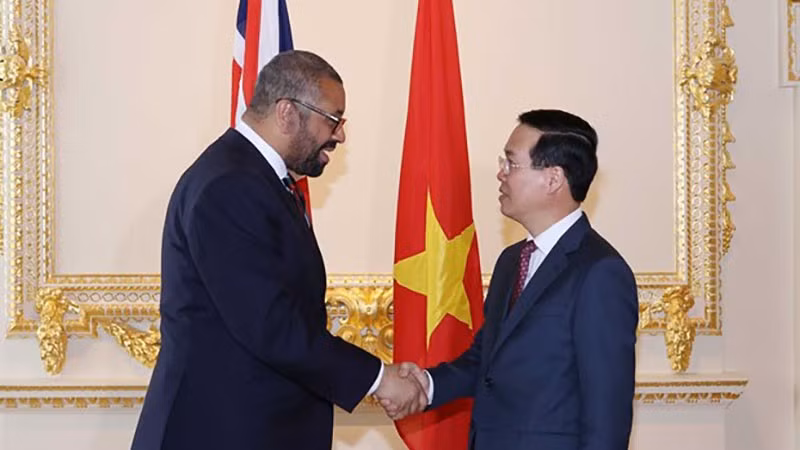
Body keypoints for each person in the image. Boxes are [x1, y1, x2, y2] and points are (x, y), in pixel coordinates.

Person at [131, 50, 426, 450]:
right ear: (287, 112)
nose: (340, 135)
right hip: (219, 431)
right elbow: (271, 325)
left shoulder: (254, 177)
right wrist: (378, 378)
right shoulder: (230, 185)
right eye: (333, 119)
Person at [396, 109, 639, 449]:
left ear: (553, 179)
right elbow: (485, 360)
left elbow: (607, 417)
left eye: (511, 163)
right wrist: (426, 384)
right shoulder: (512, 261)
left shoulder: (600, 273)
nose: (501, 174)